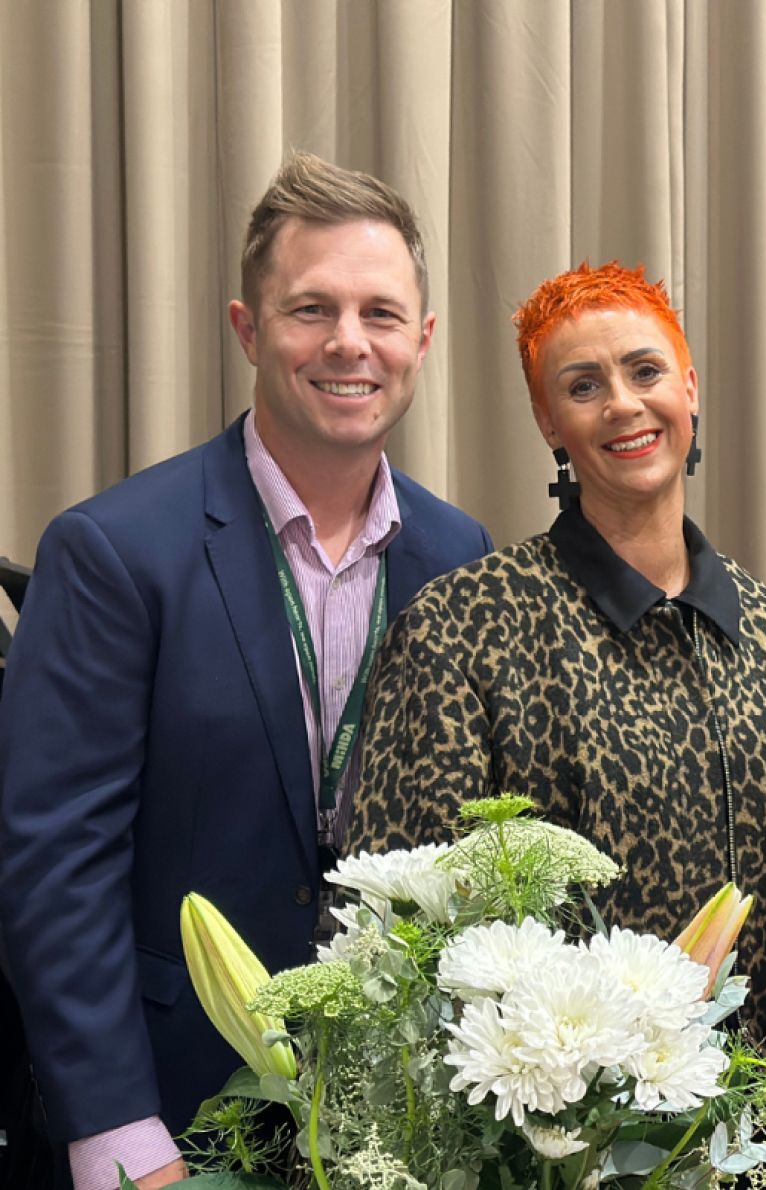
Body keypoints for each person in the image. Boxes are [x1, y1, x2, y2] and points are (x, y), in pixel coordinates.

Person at [0, 151, 492, 1190]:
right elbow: (55, 866)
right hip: (172, 1118)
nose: (349, 343)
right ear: (247, 328)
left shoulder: (462, 558)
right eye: (311, 308)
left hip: (398, 1122)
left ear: (425, 339)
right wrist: (119, 1135)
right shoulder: (114, 550)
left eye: (381, 312)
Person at [346, 262, 766, 1044]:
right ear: (548, 421)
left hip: (750, 1125)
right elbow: (406, 931)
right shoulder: (461, 628)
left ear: (689, 388)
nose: (624, 403)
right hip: (552, 1134)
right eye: (583, 385)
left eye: (645, 371)